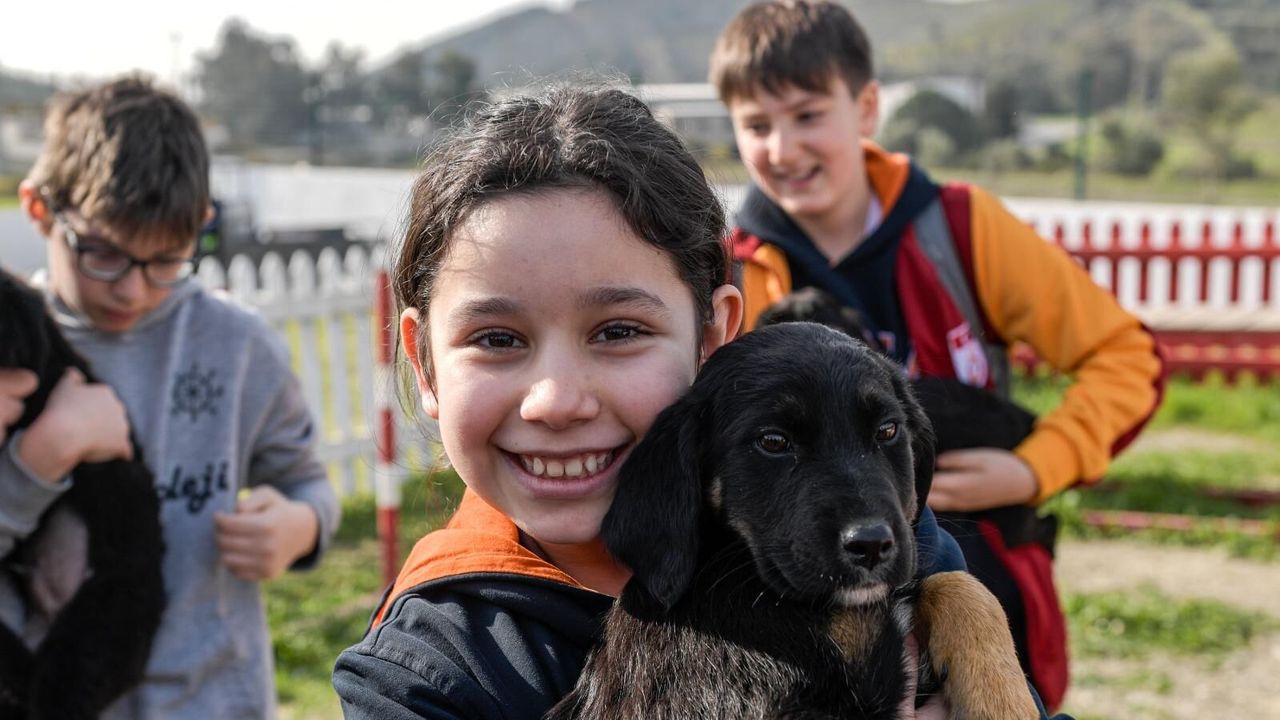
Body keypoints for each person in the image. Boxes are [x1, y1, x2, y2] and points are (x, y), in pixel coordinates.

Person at [330, 83, 1033, 720]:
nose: (556, 401)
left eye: (618, 331)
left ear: (713, 337)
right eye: (496, 339)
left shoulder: (848, 521)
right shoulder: (422, 677)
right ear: (423, 361)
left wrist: (966, 614)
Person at [709, 0, 1166, 710]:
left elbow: (1126, 356)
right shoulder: (732, 274)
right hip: (805, 610)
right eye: (756, 125)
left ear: (865, 108)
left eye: (806, 115)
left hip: (983, 582)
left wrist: (1035, 466)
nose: (782, 148)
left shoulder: (961, 227)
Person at [8, 76, 340, 718]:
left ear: (202, 226)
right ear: (40, 209)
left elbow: (308, 483)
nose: (132, 290)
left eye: (166, 259)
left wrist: (300, 527)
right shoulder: (13, 354)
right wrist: (35, 464)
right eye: (103, 254)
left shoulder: (238, 344)